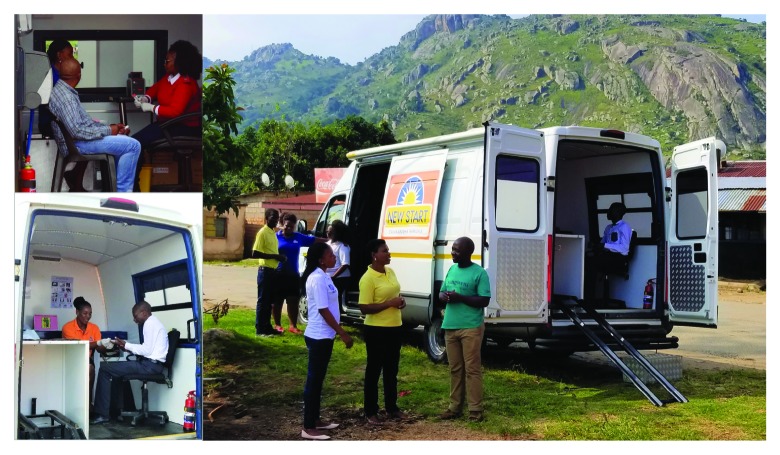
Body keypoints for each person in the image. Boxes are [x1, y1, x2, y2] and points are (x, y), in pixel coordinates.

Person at [48, 57, 140, 192]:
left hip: (75, 141)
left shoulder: (61, 90)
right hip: (77, 144)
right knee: (133, 146)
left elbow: (84, 124)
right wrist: (109, 131)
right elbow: (77, 131)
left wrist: (110, 128)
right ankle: (123, 195)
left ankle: (116, 190)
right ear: (79, 75)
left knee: (125, 143)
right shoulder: (67, 98)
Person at [300, 243, 353, 440]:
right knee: (313, 381)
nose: (334, 258)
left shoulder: (324, 276)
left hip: (325, 336)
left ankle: (315, 419)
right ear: (321, 259)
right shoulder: (317, 279)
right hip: (318, 335)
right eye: (331, 255)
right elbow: (323, 310)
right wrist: (343, 333)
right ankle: (308, 427)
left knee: (318, 380)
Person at [437, 236, 491, 422]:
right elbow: (441, 291)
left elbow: (484, 300)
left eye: (457, 250)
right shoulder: (451, 269)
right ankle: (454, 407)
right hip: (450, 326)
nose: (453, 253)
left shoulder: (479, 273)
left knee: (472, 369)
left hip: (471, 327)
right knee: (455, 369)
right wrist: (443, 296)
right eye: (453, 249)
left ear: (469, 253)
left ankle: (475, 411)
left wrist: (461, 298)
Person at [90, 301, 168, 424]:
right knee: (116, 371)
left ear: (144, 312)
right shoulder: (153, 322)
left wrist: (127, 345)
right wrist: (126, 347)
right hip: (152, 365)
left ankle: (102, 415)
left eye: (135, 315)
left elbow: (146, 350)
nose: (134, 319)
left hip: (149, 366)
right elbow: (148, 349)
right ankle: (119, 411)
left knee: (105, 369)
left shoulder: (149, 324)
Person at [358, 239, 408, 425]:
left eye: (388, 250)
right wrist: (389, 303)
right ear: (374, 255)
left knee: (391, 369)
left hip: (395, 327)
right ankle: (370, 410)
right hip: (376, 330)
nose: (388, 253)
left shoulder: (390, 272)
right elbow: (364, 307)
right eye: (384, 251)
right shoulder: (368, 278)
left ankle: (392, 407)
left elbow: (394, 295)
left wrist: (400, 302)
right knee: (374, 370)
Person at [132, 40, 202, 148]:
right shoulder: (169, 78)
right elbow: (155, 89)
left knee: (136, 143)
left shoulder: (186, 84)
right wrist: (145, 98)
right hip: (167, 125)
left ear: (179, 62)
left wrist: (152, 108)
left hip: (183, 127)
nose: (164, 64)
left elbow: (175, 111)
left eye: (167, 61)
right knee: (135, 141)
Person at [39, 40, 89, 191]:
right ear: (59, 55)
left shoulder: (56, 73)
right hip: (51, 123)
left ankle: (76, 179)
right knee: (86, 136)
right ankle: (76, 181)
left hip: (59, 120)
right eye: (70, 53)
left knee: (88, 132)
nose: (72, 57)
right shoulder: (55, 76)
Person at [274, 212, 326, 334]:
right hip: (278, 273)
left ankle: (293, 325)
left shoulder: (299, 237)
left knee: (293, 300)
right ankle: (277, 324)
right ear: (282, 224)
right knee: (278, 300)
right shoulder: (276, 237)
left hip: (293, 274)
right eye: (287, 225)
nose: (289, 228)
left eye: (291, 226)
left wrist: (331, 240)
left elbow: (315, 240)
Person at [61, 297, 108, 409]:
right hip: (71, 358)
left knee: (90, 367)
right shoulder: (68, 327)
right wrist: (98, 342)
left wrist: (106, 345)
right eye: (85, 313)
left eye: (90, 314)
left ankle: (87, 406)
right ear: (77, 312)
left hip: (87, 358)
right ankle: (80, 406)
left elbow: (98, 348)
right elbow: (80, 346)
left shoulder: (94, 328)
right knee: (89, 368)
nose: (88, 316)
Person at [253, 208, 287, 336]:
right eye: (273, 217)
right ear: (266, 218)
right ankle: (260, 329)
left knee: (269, 301)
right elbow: (255, 253)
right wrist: (275, 256)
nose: (276, 220)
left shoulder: (273, 232)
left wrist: (279, 257)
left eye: (277, 218)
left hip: (273, 271)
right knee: (263, 301)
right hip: (265, 271)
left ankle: (267, 327)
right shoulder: (262, 232)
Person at [325, 220, 351, 314]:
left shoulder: (342, 246)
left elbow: (345, 264)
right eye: (327, 231)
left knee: (335, 299)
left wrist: (333, 277)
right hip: (328, 277)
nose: (328, 233)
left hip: (340, 277)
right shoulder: (327, 244)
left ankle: (337, 318)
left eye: (331, 232)